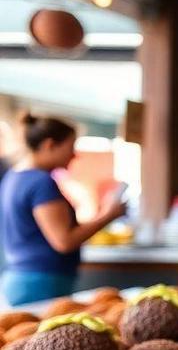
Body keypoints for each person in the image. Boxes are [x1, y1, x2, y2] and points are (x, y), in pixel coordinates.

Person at [1, 113, 125, 305]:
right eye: (70, 147)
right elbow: (64, 241)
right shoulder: (40, 182)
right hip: (40, 281)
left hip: (22, 279)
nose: (74, 155)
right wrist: (109, 215)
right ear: (50, 145)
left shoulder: (14, 177)